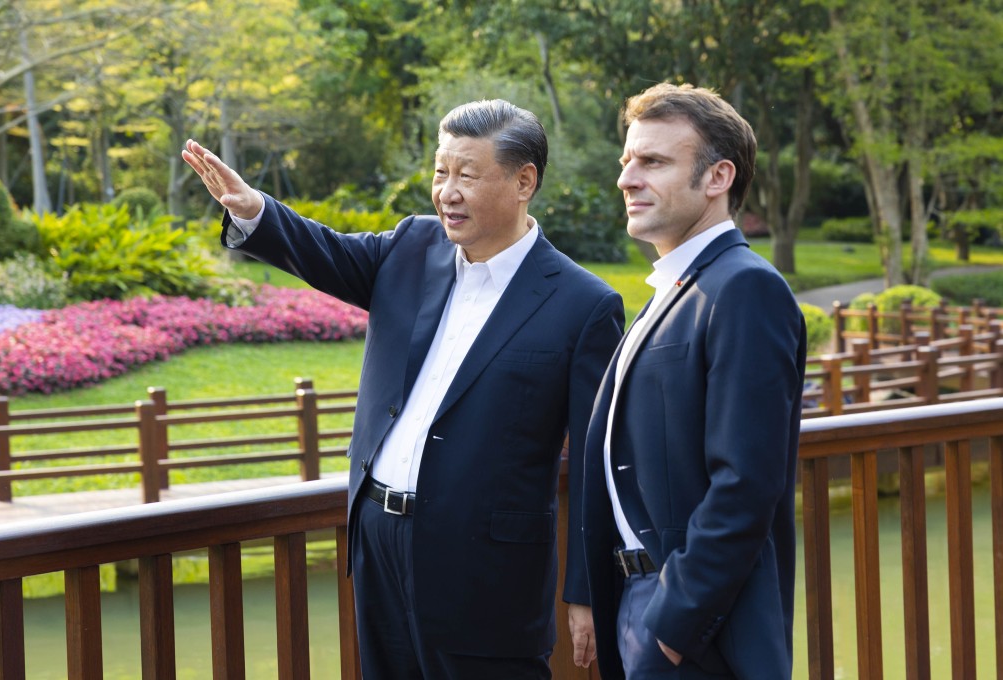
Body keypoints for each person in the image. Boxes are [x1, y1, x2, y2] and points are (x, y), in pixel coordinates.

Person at [182, 99, 624, 680]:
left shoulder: (583, 304)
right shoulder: (412, 247)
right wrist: (254, 210)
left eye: (467, 173)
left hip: (488, 574)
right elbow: (327, 251)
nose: (447, 191)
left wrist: (588, 591)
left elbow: (597, 461)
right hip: (378, 541)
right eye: (441, 172)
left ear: (524, 181)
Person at [573, 82, 807, 679]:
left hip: (697, 630)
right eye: (627, 161)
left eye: (652, 162)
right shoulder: (671, 291)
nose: (627, 179)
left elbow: (745, 485)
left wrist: (671, 632)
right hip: (637, 605)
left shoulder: (745, 289)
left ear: (716, 178)